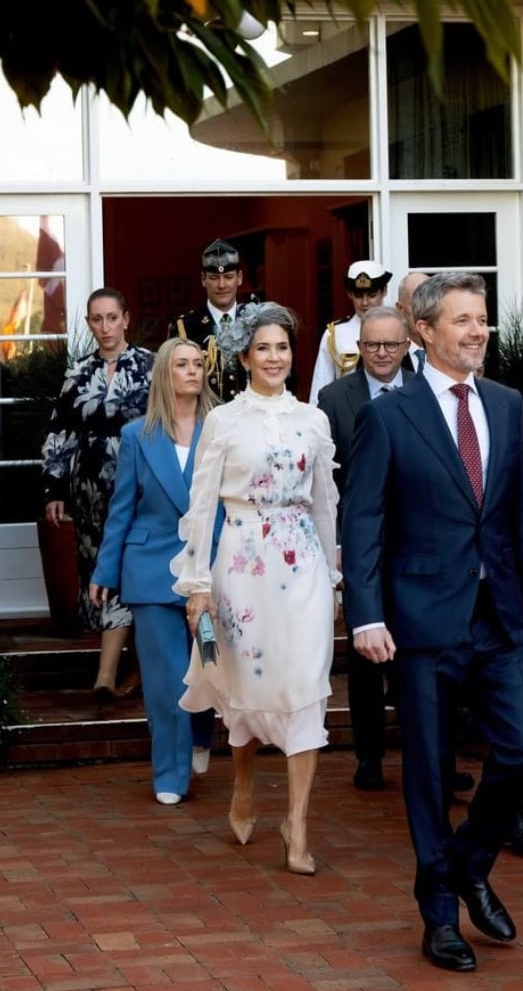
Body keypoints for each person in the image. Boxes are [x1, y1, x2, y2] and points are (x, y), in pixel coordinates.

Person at [342, 271, 523, 973]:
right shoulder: (389, 416)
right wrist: (364, 614)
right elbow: (362, 519)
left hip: (498, 618)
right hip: (422, 623)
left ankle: (464, 864)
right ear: (424, 333)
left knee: (520, 752)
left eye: (482, 318)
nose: (478, 330)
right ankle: (439, 916)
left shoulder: (509, 405)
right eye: (462, 320)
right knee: (428, 773)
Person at [171, 303, 340, 874]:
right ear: (244, 356)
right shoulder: (224, 422)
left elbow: (324, 505)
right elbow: (199, 507)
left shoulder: (313, 420)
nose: (275, 357)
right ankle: (242, 784)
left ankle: (298, 823)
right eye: (264, 348)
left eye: (283, 348)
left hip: (304, 569)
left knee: (305, 686)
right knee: (247, 681)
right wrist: (195, 583)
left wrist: (334, 578)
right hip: (241, 569)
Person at [89, 338, 219, 805]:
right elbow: (121, 509)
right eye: (181, 364)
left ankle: (201, 733)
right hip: (152, 572)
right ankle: (170, 772)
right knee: (164, 679)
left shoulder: (222, 428)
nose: (191, 371)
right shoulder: (136, 436)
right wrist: (105, 570)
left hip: (210, 571)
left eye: (198, 364)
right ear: (165, 373)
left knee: (209, 664)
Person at [42, 287, 155, 700]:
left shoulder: (151, 367)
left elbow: (170, 422)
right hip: (89, 492)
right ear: (89, 323)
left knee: (131, 572)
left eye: (112, 317)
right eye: (96, 319)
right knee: (103, 576)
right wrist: (55, 488)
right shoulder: (79, 372)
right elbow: (61, 431)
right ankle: (132, 670)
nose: (105, 327)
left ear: (126, 319)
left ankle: (107, 676)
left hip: (141, 490)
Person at [318, 306, 411, 791]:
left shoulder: (424, 391)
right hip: (361, 547)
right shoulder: (334, 398)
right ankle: (369, 757)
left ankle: (432, 758)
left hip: (418, 548)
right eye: (371, 345)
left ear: (406, 346)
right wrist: (335, 541)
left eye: (390, 346)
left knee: (421, 657)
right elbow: (326, 481)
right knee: (364, 659)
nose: (380, 354)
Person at [169, 238, 252, 401]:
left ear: (239, 278)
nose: (221, 285)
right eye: (214, 278)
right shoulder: (184, 327)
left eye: (228, 277)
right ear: (203, 279)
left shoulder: (255, 321)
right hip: (204, 420)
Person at [308, 259, 392, 403]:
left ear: (384, 291)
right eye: (358, 295)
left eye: (371, 295)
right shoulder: (335, 334)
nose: (365, 302)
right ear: (349, 294)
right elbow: (320, 387)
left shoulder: (398, 331)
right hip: (347, 413)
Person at [395, 271, 430, 372]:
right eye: (416, 304)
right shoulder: (386, 353)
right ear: (400, 309)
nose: (425, 310)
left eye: (429, 302)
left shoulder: (450, 351)